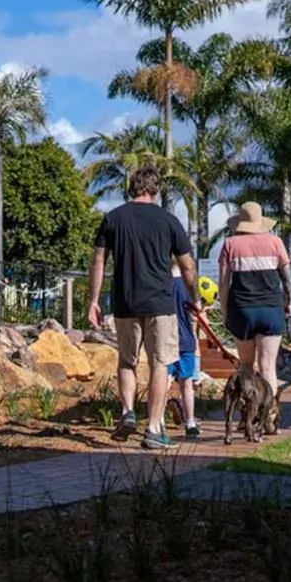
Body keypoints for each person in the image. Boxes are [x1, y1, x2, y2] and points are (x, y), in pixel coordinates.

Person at [88, 165, 201, 450]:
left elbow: (98, 261)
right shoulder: (169, 220)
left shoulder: (113, 218)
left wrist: (93, 300)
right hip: (160, 303)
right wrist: (195, 297)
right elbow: (187, 265)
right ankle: (152, 427)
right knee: (159, 364)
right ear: (156, 190)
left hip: (125, 301)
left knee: (127, 361)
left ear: (132, 188)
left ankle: (127, 411)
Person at [218, 201, 291, 399]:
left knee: (246, 366)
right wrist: (288, 301)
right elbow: (286, 277)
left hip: (242, 310)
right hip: (271, 308)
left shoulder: (230, 244)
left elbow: (224, 284)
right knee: (268, 367)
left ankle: (246, 414)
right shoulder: (275, 242)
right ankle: (269, 416)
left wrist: (225, 312)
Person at [167, 267, 201, 438]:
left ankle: (156, 421)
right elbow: (195, 314)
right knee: (187, 384)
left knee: (163, 382)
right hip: (186, 340)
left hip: (165, 339)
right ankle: (190, 422)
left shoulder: (162, 284)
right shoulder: (188, 287)